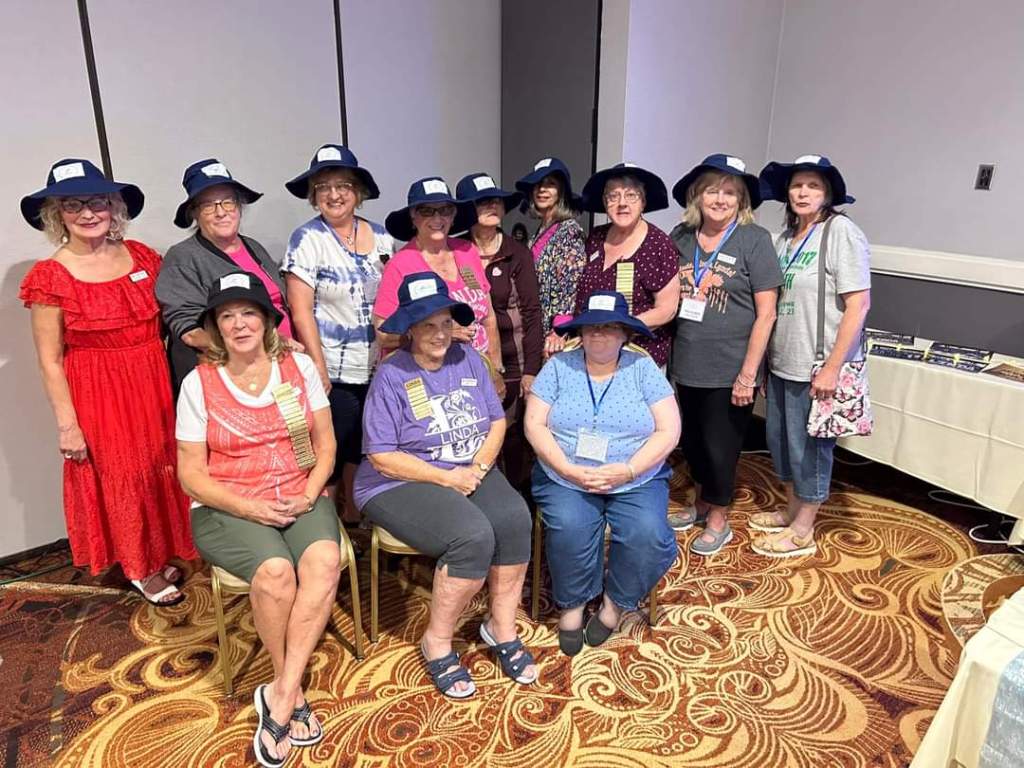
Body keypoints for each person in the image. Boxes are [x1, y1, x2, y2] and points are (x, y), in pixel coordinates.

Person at [175, 272, 342, 766]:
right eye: (227, 316)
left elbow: (326, 445)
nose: (239, 324)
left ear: (268, 321)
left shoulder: (299, 366)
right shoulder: (198, 383)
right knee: (275, 573)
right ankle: (290, 685)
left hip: (299, 492)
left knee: (324, 561)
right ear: (215, 327)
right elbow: (191, 475)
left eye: (249, 312)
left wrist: (310, 493)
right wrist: (250, 507)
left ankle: (282, 692)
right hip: (228, 504)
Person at [19, 158, 195, 605]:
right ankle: (139, 567)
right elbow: (49, 361)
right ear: (57, 215)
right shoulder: (50, 277)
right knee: (123, 475)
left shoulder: (143, 257)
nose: (88, 212)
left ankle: (161, 550)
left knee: (161, 465)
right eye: (73, 204)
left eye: (97, 201)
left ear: (114, 206)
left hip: (153, 382)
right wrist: (67, 425)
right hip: (100, 395)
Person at [354, 272, 536, 699]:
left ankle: (501, 626)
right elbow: (381, 456)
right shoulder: (391, 374)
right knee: (471, 536)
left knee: (514, 519)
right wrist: (448, 478)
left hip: (469, 466)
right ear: (410, 329)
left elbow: (496, 421)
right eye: (427, 325)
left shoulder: (468, 357)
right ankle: (437, 641)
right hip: (397, 479)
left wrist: (479, 467)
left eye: (445, 323)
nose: (439, 334)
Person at [525, 292, 679, 656]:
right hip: (564, 474)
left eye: (610, 327)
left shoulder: (642, 369)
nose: (599, 334)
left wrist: (628, 470)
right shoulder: (559, 367)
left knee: (647, 532)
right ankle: (573, 604)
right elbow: (534, 424)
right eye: (592, 327)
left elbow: (669, 430)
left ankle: (614, 604)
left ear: (625, 334)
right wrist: (566, 469)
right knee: (570, 525)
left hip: (636, 476)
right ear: (580, 332)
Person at [753, 155, 871, 557]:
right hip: (783, 361)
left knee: (811, 450)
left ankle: (804, 530)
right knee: (782, 444)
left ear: (828, 193)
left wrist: (833, 367)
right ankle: (791, 512)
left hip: (818, 365)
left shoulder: (840, 232)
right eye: (796, 185)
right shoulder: (784, 239)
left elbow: (858, 305)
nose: (803, 192)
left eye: (813, 186)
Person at [667, 154, 783, 555]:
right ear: (697, 196)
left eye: (730, 192)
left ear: (742, 201)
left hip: (731, 367)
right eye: (712, 191)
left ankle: (719, 518)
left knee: (721, 447)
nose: (720, 199)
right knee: (693, 442)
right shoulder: (681, 237)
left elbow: (766, 314)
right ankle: (701, 503)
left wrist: (748, 374)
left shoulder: (755, 240)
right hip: (687, 363)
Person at [281, 143, 394, 524]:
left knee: (363, 444)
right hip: (332, 364)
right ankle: (325, 527)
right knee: (332, 444)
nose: (334, 194)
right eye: (324, 187)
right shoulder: (306, 239)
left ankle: (353, 515)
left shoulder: (383, 238)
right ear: (313, 195)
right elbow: (300, 309)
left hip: (379, 363)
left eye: (343, 185)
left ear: (357, 192)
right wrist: (317, 365)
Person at [157, 159, 292, 394]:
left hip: (280, 366)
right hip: (233, 377)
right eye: (208, 205)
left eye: (228, 202)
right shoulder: (183, 257)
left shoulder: (253, 246)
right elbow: (190, 332)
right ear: (195, 213)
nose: (221, 212)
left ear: (239, 206)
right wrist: (268, 346)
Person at [373, 177, 505, 394]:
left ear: (453, 216)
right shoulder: (400, 265)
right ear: (413, 217)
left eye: (445, 210)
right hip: (428, 380)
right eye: (426, 211)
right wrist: (443, 331)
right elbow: (383, 334)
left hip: (478, 372)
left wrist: (495, 368)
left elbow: (488, 317)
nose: (437, 218)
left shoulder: (467, 251)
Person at [456, 172, 543, 491]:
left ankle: (516, 499)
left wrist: (531, 370)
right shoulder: (454, 250)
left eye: (496, 201)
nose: (492, 206)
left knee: (512, 436)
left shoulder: (517, 252)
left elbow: (532, 313)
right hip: (463, 359)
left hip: (512, 361)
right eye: (482, 202)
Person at [576, 163, 681, 368]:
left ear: (643, 202)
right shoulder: (596, 237)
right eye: (613, 196)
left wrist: (619, 328)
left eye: (631, 195)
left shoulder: (659, 244)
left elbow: (667, 309)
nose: (622, 203)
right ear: (605, 202)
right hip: (592, 352)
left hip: (637, 357)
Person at [515, 157, 587, 356]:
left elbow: (571, 283)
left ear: (561, 191)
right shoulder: (541, 230)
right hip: (537, 327)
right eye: (537, 184)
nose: (542, 189)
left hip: (555, 339)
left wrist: (559, 330)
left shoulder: (569, 231)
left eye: (550, 184)